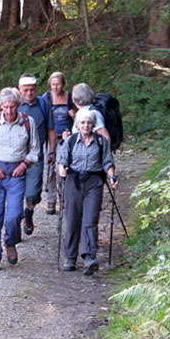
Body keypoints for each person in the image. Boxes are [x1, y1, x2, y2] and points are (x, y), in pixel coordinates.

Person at [0, 87, 40, 271]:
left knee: (14, 215)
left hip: (17, 173)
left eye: (12, 107)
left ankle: (10, 242)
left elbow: (35, 149)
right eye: (5, 107)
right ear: (0, 106)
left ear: (18, 105)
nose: (9, 111)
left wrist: (23, 165)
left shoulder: (28, 122)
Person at [57, 108, 119, 276]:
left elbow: (107, 162)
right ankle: (70, 257)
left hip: (94, 181)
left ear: (93, 124)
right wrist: (62, 169)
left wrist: (112, 176)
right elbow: (62, 161)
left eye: (89, 122)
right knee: (72, 218)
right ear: (77, 124)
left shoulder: (101, 141)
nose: (86, 125)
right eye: (83, 122)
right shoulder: (70, 141)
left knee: (90, 219)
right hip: (74, 181)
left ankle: (89, 257)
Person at [17, 73, 57, 235]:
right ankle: (14, 227)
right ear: (19, 90)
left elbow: (51, 129)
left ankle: (29, 212)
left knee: (33, 193)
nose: (29, 94)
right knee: (16, 192)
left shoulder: (44, 104)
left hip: (36, 155)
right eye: (25, 90)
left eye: (32, 90)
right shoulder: (14, 104)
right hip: (15, 157)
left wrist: (52, 152)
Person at [41, 71, 74, 215]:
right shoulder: (46, 98)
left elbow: (78, 117)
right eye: (53, 84)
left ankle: (63, 199)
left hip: (65, 139)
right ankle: (50, 200)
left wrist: (73, 115)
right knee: (48, 171)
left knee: (61, 170)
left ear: (63, 84)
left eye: (58, 84)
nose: (55, 87)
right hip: (49, 138)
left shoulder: (70, 98)